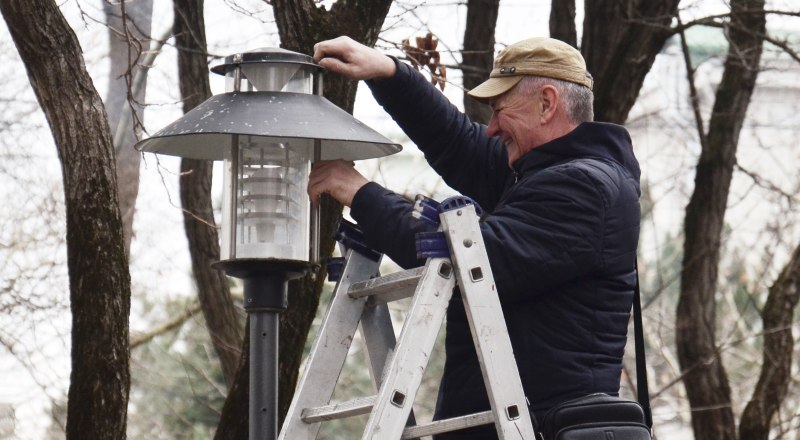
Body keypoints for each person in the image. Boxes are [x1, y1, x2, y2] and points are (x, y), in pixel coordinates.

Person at [309, 36, 641, 439]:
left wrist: (359, 192)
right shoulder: (542, 174)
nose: (493, 128)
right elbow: (459, 143)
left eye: (500, 110)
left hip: (537, 429)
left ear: (547, 103)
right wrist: (390, 75)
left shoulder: (584, 190)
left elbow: (466, 259)